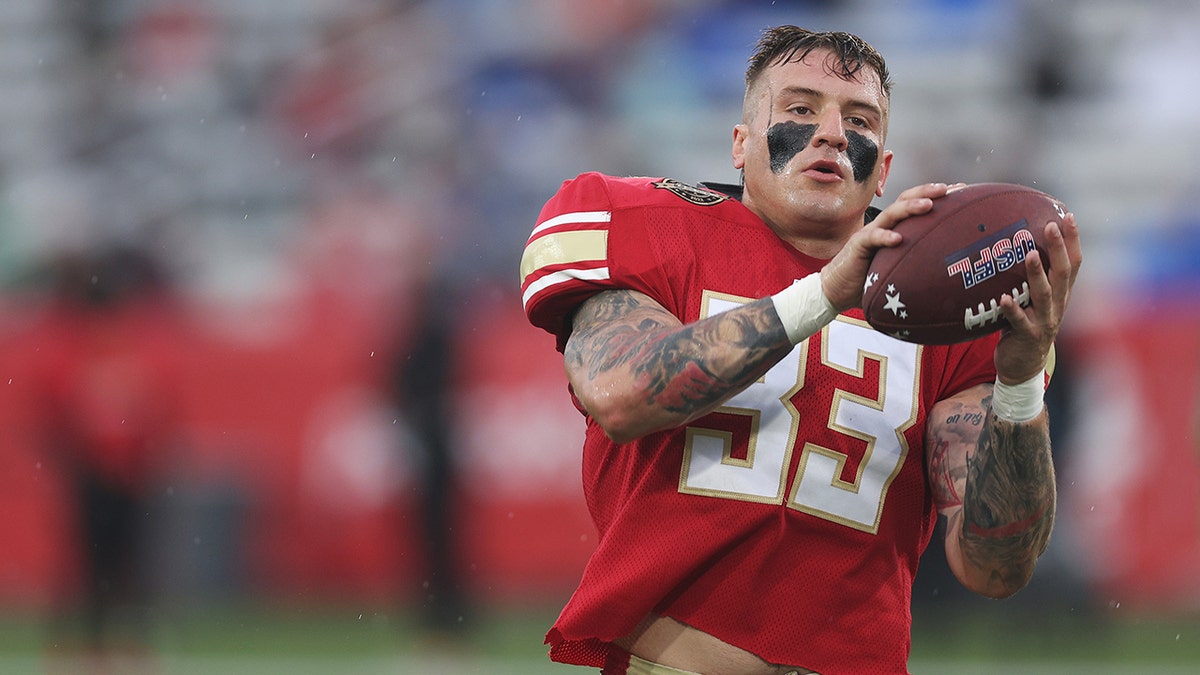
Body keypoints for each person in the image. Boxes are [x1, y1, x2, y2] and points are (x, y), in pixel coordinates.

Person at [519, 25, 1081, 675]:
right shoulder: (650, 225)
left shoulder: (940, 308)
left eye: (860, 118)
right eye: (800, 109)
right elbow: (623, 393)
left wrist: (1017, 384)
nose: (834, 132)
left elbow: (995, 565)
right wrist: (825, 292)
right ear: (740, 143)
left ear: (885, 175)